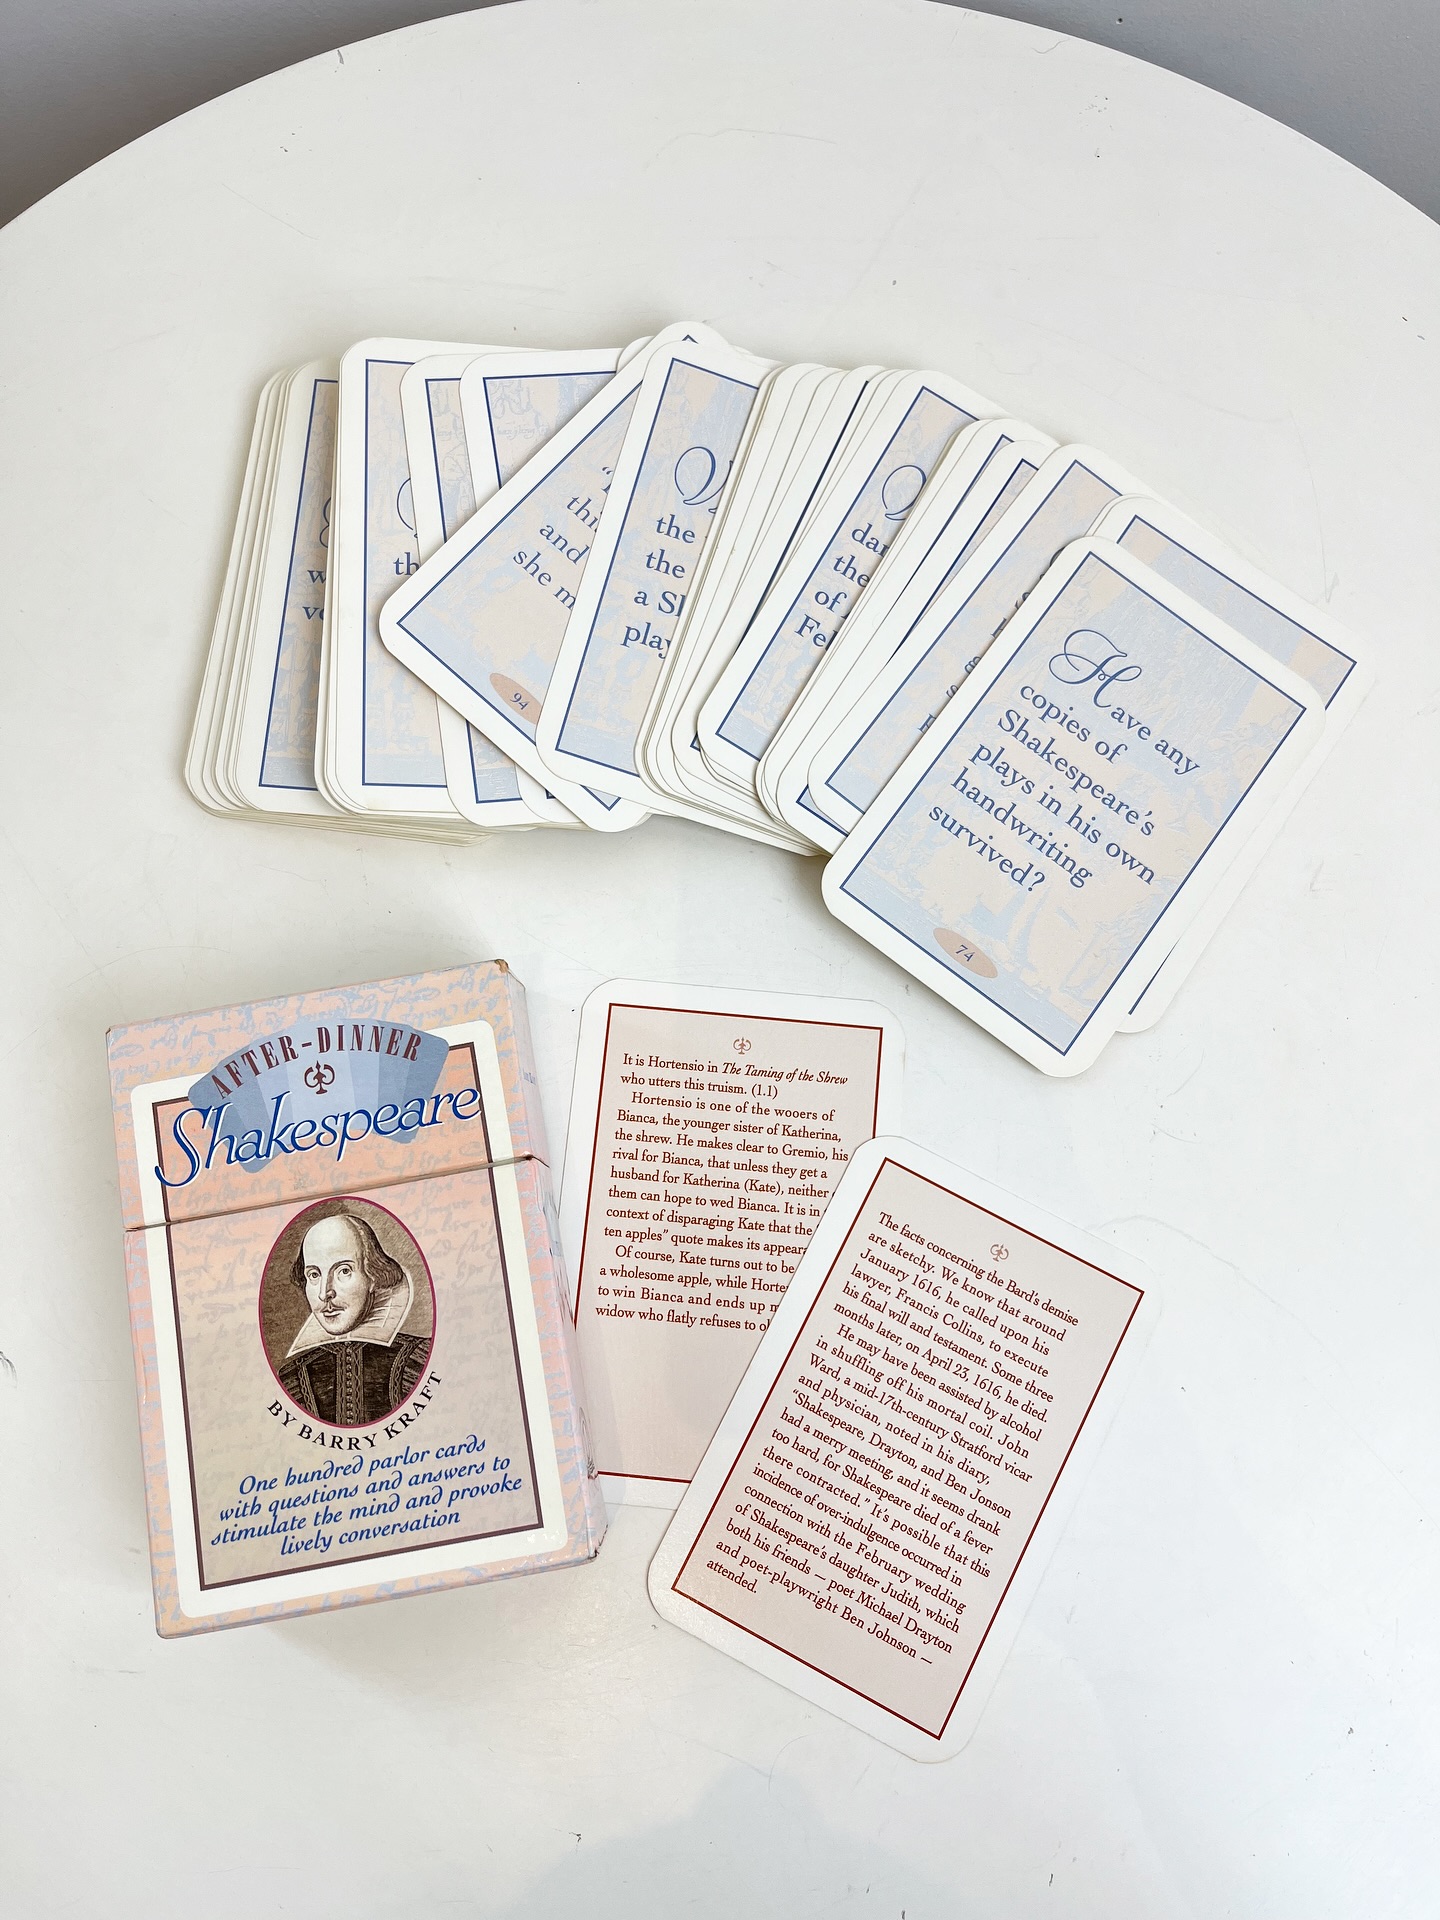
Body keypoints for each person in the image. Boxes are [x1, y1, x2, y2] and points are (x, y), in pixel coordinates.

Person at [276, 1208, 430, 1427]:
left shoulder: (419, 1359)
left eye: (344, 1271)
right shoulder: (291, 1377)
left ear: (373, 1276)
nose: (325, 1293)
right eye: (314, 1274)